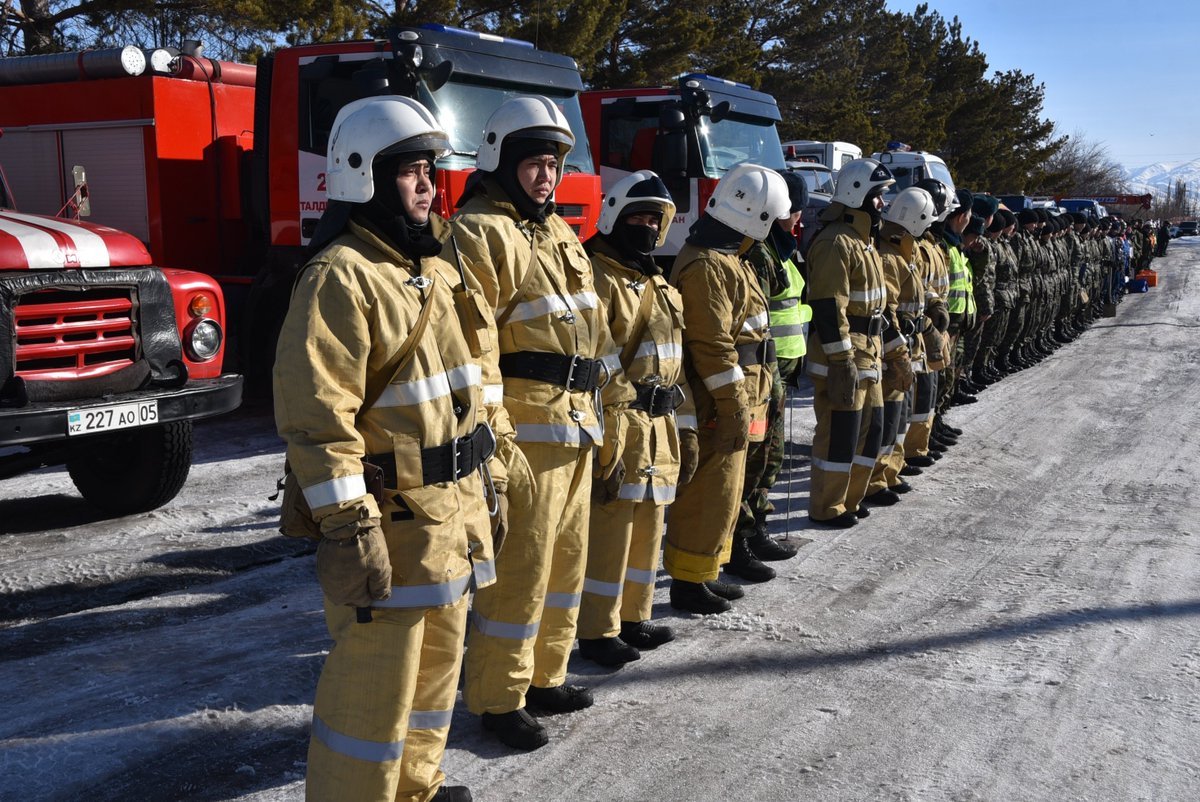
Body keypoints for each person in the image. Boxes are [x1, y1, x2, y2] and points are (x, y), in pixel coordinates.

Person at [274, 96, 498, 802]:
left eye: (430, 169)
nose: (427, 185)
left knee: (434, 677)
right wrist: (347, 528)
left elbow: (469, 387)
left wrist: (491, 477)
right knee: (372, 695)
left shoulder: (432, 269)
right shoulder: (340, 276)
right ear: (361, 177)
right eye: (407, 172)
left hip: (447, 519)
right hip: (390, 524)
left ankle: (415, 788)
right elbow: (316, 420)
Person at [453, 96, 634, 751]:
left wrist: (610, 415)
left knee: (567, 563)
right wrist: (493, 446)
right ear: (500, 161)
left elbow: (596, 335)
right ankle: (499, 698)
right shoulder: (479, 231)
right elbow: (474, 351)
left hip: (578, 428)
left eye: (555, 163)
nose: (547, 176)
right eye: (534, 163)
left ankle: (545, 675)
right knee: (521, 571)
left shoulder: (559, 231)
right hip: (525, 436)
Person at [663, 163, 790, 612]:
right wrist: (733, 406)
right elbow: (712, 347)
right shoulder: (708, 265)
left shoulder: (729, 258)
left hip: (744, 396)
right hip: (721, 401)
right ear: (755, 216)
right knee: (706, 494)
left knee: (726, 492)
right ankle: (688, 583)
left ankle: (706, 571)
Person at [576, 170, 688, 665]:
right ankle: (598, 630)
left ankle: (634, 616)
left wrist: (679, 417)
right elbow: (596, 353)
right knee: (612, 528)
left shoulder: (656, 280)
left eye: (653, 219)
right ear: (614, 218)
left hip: (660, 423)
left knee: (650, 524)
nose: (646, 226)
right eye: (637, 217)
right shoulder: (598, 276)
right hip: (621, 421)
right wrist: (614, 419)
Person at [728, 169, 811, 583]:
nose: (799, 219)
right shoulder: (759, 254)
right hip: (761, 375)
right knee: (755, 459)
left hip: (780, 371)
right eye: (795, 210)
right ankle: (738, 541)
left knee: (770, 460)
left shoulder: (782, 252)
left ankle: (756, 527)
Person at [805, 157, 895, 527]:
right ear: (858, 195)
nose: (883, 205)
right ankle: (828, 506)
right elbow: (828, 307)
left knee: (870, 429)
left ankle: (850, 499)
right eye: (878, 197)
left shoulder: (863, 242)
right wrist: (840, 361)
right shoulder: (835, 243)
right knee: (839, 435)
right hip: (845, 355)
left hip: (867, 350)